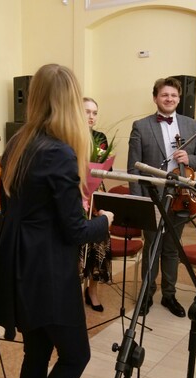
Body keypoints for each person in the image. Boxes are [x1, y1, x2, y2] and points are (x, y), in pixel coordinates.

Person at [0, 64, 114, 378]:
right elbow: (75, 230)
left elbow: (10, 208)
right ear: (70, 101)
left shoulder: (18, 142)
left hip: (19, 263)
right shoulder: (59, 151)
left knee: (37, 352)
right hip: (48, 270)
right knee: (75, 357)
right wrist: (105, 221)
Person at [127, 76, 196, 317]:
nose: (169, 99)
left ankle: (169, 295)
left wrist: (190, 159)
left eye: (173, 95)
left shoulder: (192, 125)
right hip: (153, 197)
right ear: (155, 98)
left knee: (172, 248)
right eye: (164, 95)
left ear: (179, 99)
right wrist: (139, 202)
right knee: (152, 248)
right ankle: (146, 294)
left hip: (182, 196)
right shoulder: (141, 126)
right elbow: (133, 168)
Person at [81, 97, 112, 312]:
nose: (91, 116)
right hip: (75, 194)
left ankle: (92, 291)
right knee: (78, 246)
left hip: (95, 193)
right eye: (87, 111)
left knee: (98, 243)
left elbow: (105, 169)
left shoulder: (100, 137)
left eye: (94, 112)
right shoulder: (68, 136)